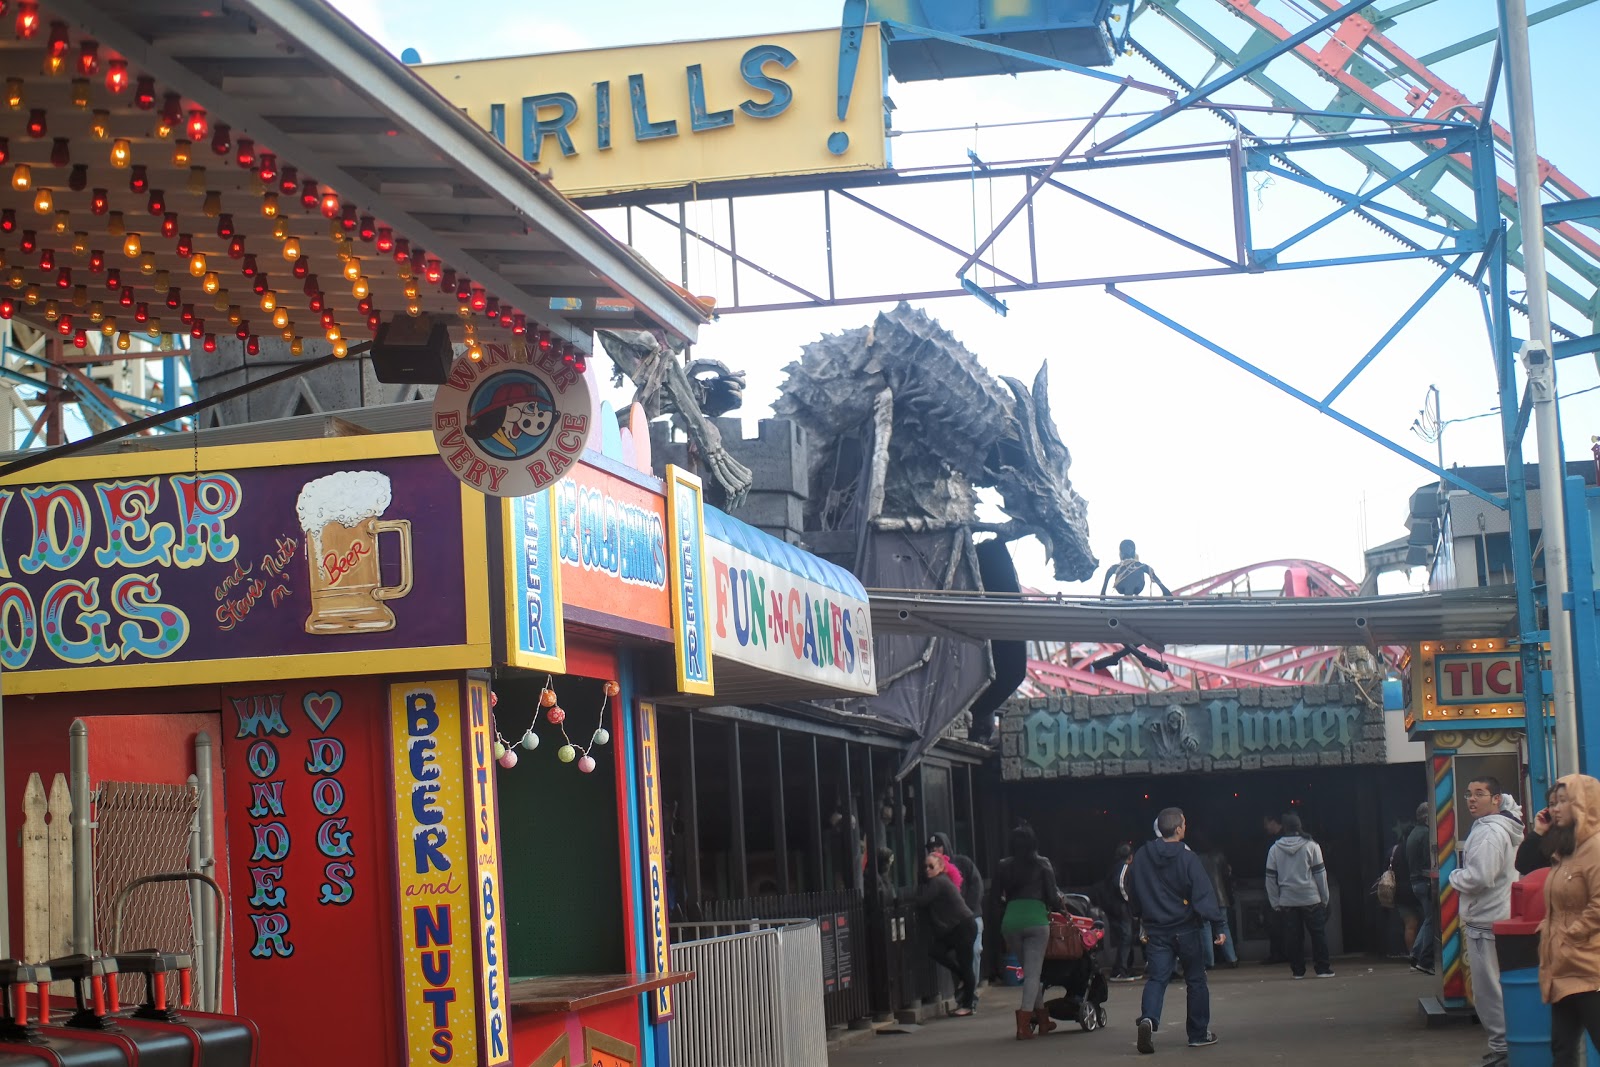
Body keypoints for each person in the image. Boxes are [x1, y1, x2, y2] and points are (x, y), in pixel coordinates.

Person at [1128, 807, 1225, 1053]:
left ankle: (1149, 1019)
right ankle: (1198, 1034)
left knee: (1157, 979)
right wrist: (1218, 925)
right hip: (1186, 929)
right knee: (1195, 980)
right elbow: (1203, 893)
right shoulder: (1188, 857)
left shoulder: (1141, 856)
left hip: (1156, 931)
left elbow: (1133, 890)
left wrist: (1138, 915)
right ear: (1180, 828)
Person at [1449, 777, 1523, 1067]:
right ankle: (1505, 1045)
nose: (1472, 799)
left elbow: (1480, 876)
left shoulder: (1490, 832)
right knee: (1496, 987)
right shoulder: (1503, 825)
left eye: (1480, 794)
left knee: (1487, 991)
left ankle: (1502, 1048)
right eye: (1469, 794)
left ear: (1495, 799)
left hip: (1485, 921)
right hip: (1499, 916)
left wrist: (1455, 877)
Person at [1539, 775, 1600, 1066]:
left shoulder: (1596, 848)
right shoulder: (1564, 850)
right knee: (1561, 1050)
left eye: (1564, 802)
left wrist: (1570, 935)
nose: (1555, 809)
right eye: (1553, 803)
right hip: (1561, 969)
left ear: (1583, 805)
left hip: (1590, 969)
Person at [991, 823, 1064, 1041]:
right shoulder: (1043, 864)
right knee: (1033, 975)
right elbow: (1052, 897)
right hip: (1035, 921)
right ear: (1034, 842)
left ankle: (1043, 1020)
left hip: (1011, 922)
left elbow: (995, 898)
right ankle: (1023, 1025)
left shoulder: (1003, 865)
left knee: (1031, 973)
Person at [1266, 813, 1333, 979]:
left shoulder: (1274, 849)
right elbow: (1320, 874)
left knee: (1293, 937)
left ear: (1284, 827)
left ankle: (1298, 970)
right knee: (1318, 934)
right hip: (1311, 898)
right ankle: (1323, 968)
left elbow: (1270, 878)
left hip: (1287, 900)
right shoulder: (1312, 846)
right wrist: (1324, 898)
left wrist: (1275, 902)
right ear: (1299, 826)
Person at [917, 852, 979, 1017]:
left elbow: (922, 900)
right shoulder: (940, 881)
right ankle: (962, 979)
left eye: (931, 866)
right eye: (925, 867)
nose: (927, 870)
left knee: (965, 964)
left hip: (964, 926)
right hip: (958, 927)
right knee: (937, 951)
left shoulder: (938, 882)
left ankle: (968, 1005)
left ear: (941, 867)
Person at [928, 833, 985, 986]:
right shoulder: (931, 871)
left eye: (938, 845)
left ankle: (971, 994)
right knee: (957, 957)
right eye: (931, 847)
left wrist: (968, 910)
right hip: (951, 924)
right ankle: (963, 992)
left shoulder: (963, 862)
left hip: (971, 917)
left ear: (946, 845)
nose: (935, 849)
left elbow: (976, 885)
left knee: (974, 951)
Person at [1194, 842, 1238, 970]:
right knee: (1224, 927)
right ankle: (1232, 958)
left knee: (1205, 928)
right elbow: (1226, 874)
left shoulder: (1195, 858)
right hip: (1220, 897)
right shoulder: (1218, 855)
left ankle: (1209, 961)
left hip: (1204, 898)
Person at [1407, 802, 1437, 974]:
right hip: (1424, 882)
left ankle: (1416, 955)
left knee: (1427, 919)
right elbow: (1429, 861)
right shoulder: (1425, 834)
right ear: (1427, 818)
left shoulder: (1413, 833)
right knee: (1431, 920)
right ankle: (1425, 960)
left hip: (1415, 882)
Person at [1103, 842, 1140, 982]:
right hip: (1120, 906)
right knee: (1126, 936)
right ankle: (1120, 970)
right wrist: (1129, 900)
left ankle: (1126, 967)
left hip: (1115, 906)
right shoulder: (1124, 867)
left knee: (1126, 936)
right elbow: (1120, 885)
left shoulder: (1115, 867)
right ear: (1130, 856)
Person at [1519, 785, 1572, 874]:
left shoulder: (1587, 837)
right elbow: (1523, 866)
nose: (1556, 809)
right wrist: (1537, 832)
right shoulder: (1549, 836)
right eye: (1552, 804)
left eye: (1562, 802)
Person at [1261, 814, 1287, 965]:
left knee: (1275, 922)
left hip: (1278, 885)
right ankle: (1282, 952)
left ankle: (1278, 953)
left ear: (1273, 821)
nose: (1265, 827)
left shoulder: (1275, 845)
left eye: (1266, 823)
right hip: (1284, 886)